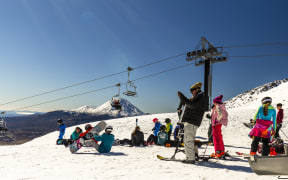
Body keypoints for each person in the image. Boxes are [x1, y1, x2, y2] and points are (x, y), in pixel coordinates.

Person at [177, 82, 206, 164]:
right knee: (190, 140)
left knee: (188, 140)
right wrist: (182, 99)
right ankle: (194, 155)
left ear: (197, 90)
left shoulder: (200, 97)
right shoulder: (198, 97)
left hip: (192, 122)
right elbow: (188, 103)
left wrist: (182, 96)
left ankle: (190, 158)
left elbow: (191, 105)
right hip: (192, 122)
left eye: (192, 90)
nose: (191, 92)